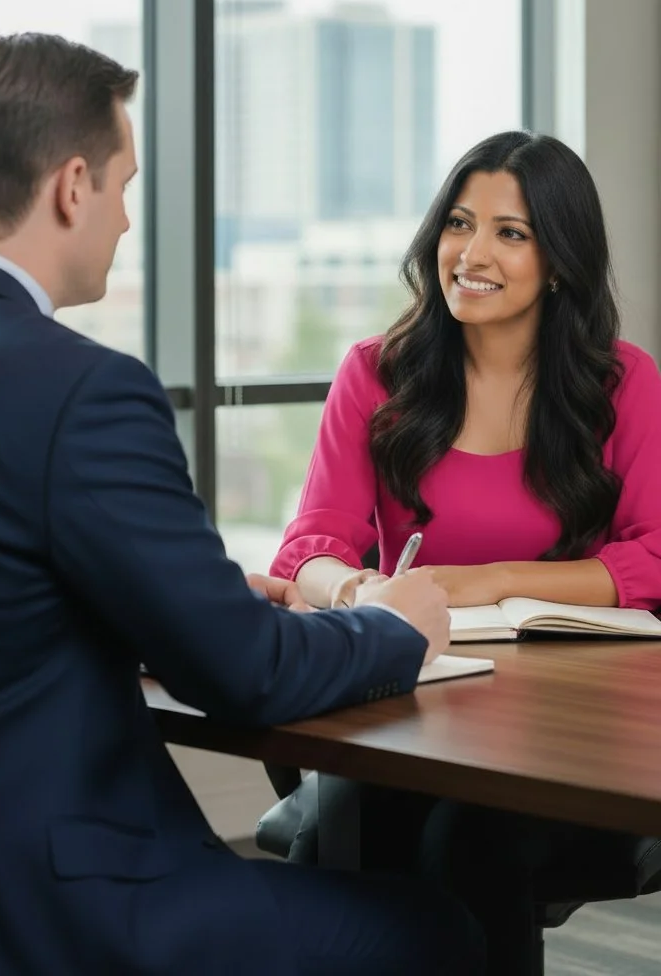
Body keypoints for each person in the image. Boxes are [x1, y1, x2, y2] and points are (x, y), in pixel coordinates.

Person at [0, 33, 484, 976]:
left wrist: (203, 589)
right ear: (72, 186)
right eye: (123, 186)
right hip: (51, 912)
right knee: (442, 935)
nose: (125, 220)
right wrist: (397, 627)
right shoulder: (81, 390)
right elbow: (244, 675)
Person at [269, 129, 661, 975]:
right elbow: (309, 547)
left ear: (559, 261)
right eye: (457, 223)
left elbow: (655, 559)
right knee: (357, 823)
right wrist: (357, 590)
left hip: (572, 727)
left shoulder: (623, 384)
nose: (471, 253)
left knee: (465, 839)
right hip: (418, 706)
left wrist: (492, 579)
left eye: (510, 233)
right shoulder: (376, 373)